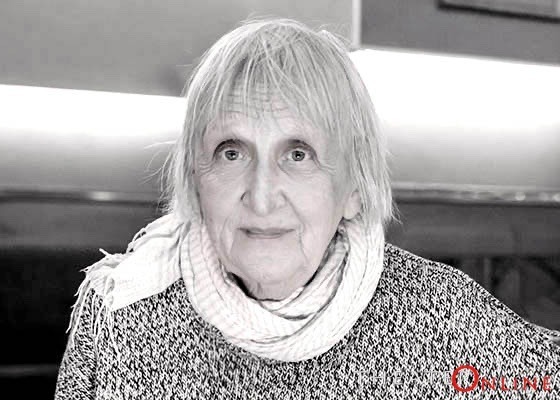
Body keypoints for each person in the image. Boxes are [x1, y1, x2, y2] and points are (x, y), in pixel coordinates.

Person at [54, 18, 559, 399]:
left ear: (354, 187)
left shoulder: (442, 320)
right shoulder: (120, 316)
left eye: (298, 155)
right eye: (231, 152)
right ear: (194, 179)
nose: (262, 196)